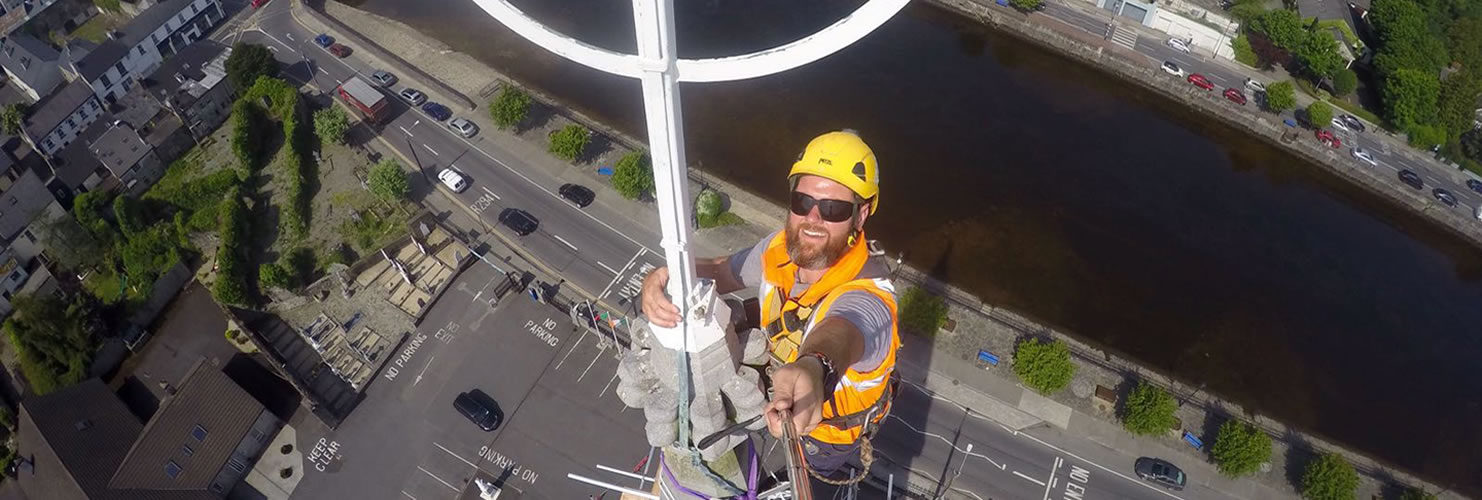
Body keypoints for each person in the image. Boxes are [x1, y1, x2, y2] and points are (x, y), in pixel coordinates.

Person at [641, 130, 901, 479]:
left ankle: (816, 473)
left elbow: (845, 328)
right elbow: (722, 271)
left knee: (811, 471)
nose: (813, 219)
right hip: (776, 385)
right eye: (802, 202)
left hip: (823, 433)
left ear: (861, 215)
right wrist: (665, 276)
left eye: (834, 209)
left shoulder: (871, 299)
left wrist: (815, 367)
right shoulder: (780, 249)